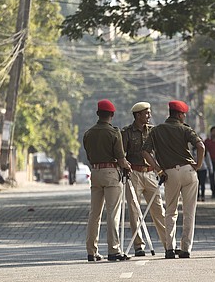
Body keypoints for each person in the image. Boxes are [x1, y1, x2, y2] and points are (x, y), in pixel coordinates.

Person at [142, 100, 205, 259]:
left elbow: (145, 152)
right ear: (179, 114)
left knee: (170, 211)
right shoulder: (185, 129)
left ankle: (170, 248)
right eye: (184, 114)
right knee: (189, 212)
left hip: (169, 173)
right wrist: (198, 164)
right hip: (188, 171)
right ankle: (185, 249)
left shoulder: (156, 131)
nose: (185, 117)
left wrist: (158, 169)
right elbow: (201, 146)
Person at [83, 99, 132, 262]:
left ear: (98, 114)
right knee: (113, 212)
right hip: (111, 173)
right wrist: (127, 166)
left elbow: (89, 156)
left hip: (95, 173)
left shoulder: (88, 133)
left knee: (94, 213)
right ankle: (113, 250)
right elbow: (120, 157)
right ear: (112, 115)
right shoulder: (113, 132)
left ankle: (91, 251)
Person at [121, 102, 169, 256]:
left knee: (159, 210)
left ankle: (168, 244)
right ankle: (138, 246)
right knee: (134, 210)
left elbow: (159, 151)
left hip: (150, 174)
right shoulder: (127, 132)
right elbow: (121, 154)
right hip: (133, 174)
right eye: (146, 113)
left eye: (149, 113)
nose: (149, 116)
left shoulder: (153, 131)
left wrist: (161, 169)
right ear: (137, 115)